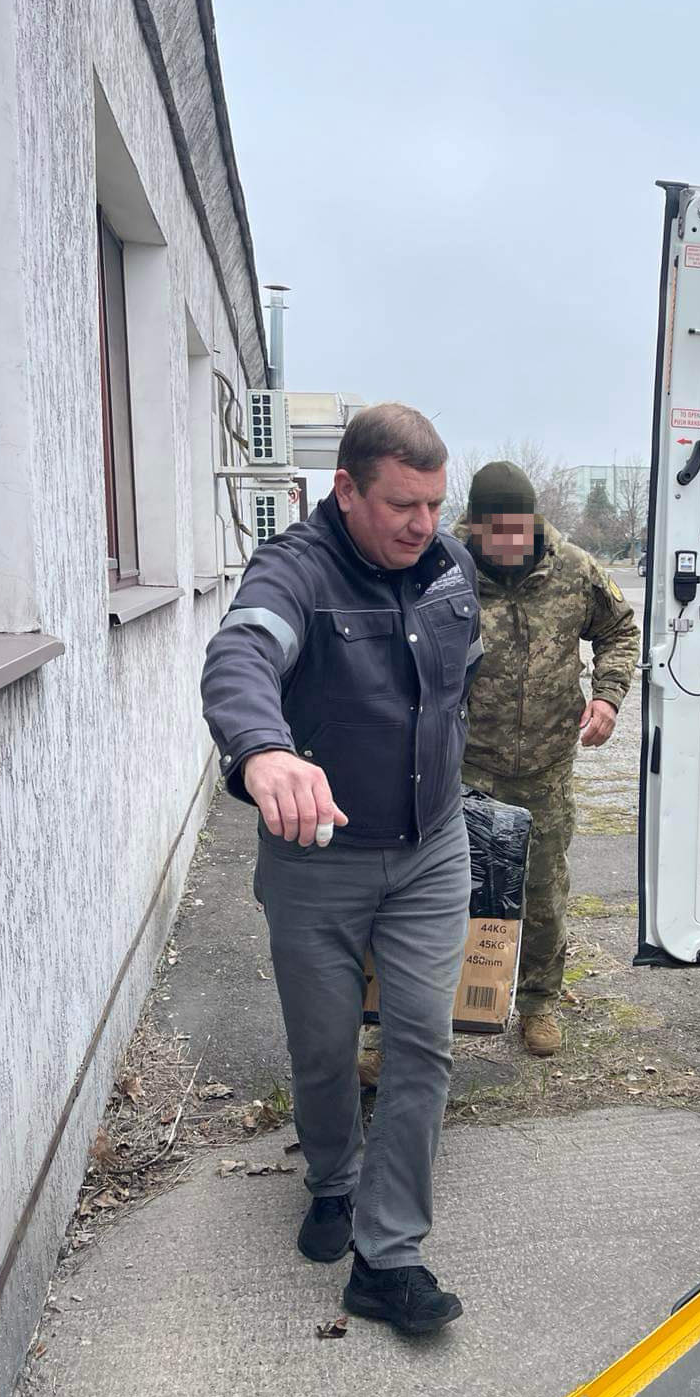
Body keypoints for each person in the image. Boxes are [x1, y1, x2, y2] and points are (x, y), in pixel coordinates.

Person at [200, 403, 480, 1338]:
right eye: (402, 505)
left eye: (435, 504)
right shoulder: (296, 572)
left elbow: (457, 687)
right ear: (347, 489)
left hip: (432, 848)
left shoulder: (450, 568)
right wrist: (263, 748)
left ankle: (388, 1255)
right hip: (318, 859)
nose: (422, 525)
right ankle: (332, 1180)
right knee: (324, 1046)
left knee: (422, 1042)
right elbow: (241, 654)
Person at [458, 460, 640, 1056]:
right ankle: (406, 1019)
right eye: (496, 532)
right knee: (440, 894)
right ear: (474, 526)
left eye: (520, 528)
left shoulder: (573, 569)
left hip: (545, 767)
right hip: (461, 766)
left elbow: (619, 630)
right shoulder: (443, 567)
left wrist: (608, 697)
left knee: (542, 892)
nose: (510, 543)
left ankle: (538, 1004)